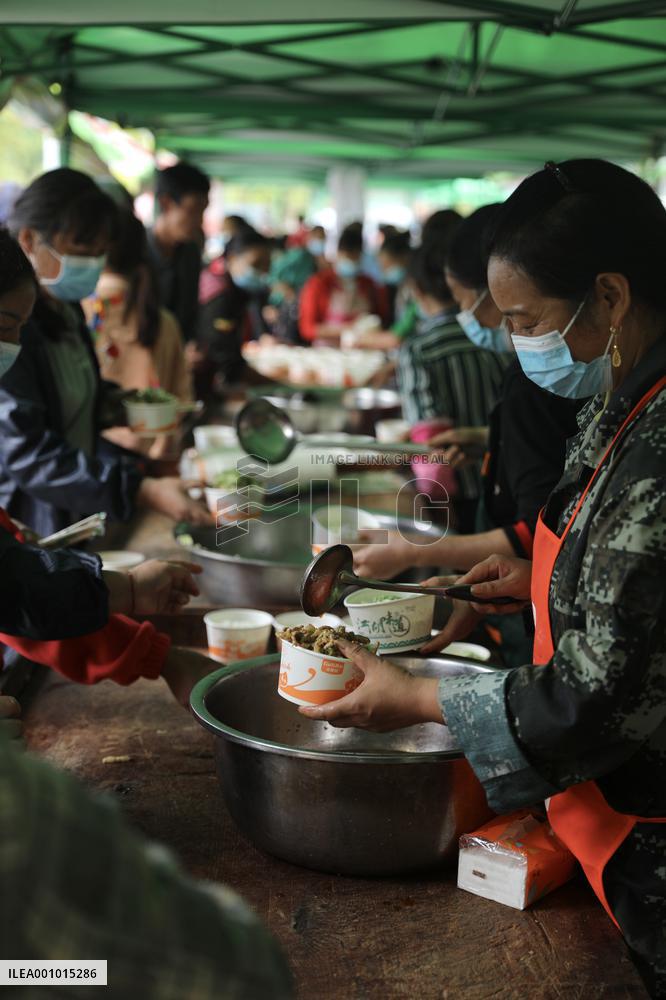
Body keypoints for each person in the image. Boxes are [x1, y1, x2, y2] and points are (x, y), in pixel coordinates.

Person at [299, 159, 666, 998]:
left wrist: (417, 697)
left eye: (526, 321)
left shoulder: (658, 450)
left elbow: (593, 694)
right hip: (602, 817)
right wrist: (538, 581)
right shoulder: (625, 401)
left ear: (610, 296)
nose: (516, 342)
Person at [354, 204, 583, 666]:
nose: (466, 316)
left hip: (538, 626)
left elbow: (535, 531)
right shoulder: (527, 372)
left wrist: (412, 550)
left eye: (465, 302)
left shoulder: (531, 382)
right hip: (520, 589)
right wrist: (483, 438)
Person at [0, 170, 210, 538]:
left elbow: (72, 403)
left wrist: (124, 406)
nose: (92, 265)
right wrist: (139, 489)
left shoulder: (68, 311)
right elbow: (28, 452)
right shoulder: (12, 333)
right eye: (82, 252)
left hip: (70, 512)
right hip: (27, 517)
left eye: (100, 254)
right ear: (30, 239)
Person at [397, 239, 508, 532]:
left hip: (458, 496)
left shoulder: (419, 350)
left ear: (416, 289)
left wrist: (439, 509)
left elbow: (430, 443)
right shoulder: (497, 336)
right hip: (506, 480)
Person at [84, 210, 193, 461]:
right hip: (148, 458)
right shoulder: (164, 321)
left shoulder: (76, 313)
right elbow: (181, 400)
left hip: (87, 461)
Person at [196, 227, 272, 391]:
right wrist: (271, 384)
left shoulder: (240, 293)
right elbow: (219, 350)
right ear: (231, 259)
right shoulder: (219, 295)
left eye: (267, 265)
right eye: (256, 264)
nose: (263, 272)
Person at [147, 161, 210, 342]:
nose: (199, 221)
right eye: (193, 211)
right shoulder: (135, 251)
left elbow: (190, 313)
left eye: (203, 211)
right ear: (166, 203)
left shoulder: (191, 253)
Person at [299, 224, 388, 343]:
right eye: (347, 256)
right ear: (338, 253)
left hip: (362, 347)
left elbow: (380, 318)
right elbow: (307, 329)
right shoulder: (319, 283)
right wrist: (347, 329)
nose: (351, 261)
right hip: (326, 349)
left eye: (355, 257)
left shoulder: (368, 284)